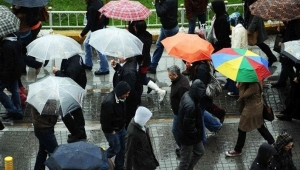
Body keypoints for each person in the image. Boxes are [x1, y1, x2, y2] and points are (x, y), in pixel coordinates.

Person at [225, 82, 275, 157]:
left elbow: (242, 95)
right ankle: (272, 142)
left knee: (242, 129)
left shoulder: (254, 85)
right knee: (260, 126)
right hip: (255, 108)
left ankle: (238, 150)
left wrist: (241, 85)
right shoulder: (252, 82)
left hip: (252, 109)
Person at [52, 54, 87, 143]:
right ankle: (81, 132)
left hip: (72, 91)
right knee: (76, 111)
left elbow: (68, 79)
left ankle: (77, 133)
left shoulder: (73, 64)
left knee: (64, 113)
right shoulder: (76, 57)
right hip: (77, 89)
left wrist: (57, 72)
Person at [130, 20, 166, 102]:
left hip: (142, 62)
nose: (134, 28)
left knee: (141, 79)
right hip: (146, 61)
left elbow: (139, 53)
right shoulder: (147, 35)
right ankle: (151, 82)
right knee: (141, 77)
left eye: (135, 26)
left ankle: (159, 91)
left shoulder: (139, 40)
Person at [100, 81, 131, 170]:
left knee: (122, 148)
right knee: (115, 149)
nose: (127, 96)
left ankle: (119, 167)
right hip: (112, 131)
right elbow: (104, 120)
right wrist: (111, 131)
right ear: (121, 92)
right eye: (126, 93)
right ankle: (100, 159)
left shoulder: (121, 98)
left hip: (121, 128)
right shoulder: (108, 103)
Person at [177, 79, 205, 170]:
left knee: (200, 152)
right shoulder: (191, 106)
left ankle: (189, 167)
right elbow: (189, 127)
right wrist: (197, 134)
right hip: (188, 138)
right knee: (184, 162)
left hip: (191, 135)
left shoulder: (188, 95)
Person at [147, 0, 179, 74]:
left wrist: (157, 2)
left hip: (170, 29)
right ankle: (153, 66)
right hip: (166, 28)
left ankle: (189, 64)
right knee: (159, 45)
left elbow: (160, 12)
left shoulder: (169, 1)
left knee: (177, 49)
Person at [80, 0, 109, 76]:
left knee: (99, 49)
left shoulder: (92, 7)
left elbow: (90, 23)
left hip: (96, 30)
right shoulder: (99, 2)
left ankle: (104, 68)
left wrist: (82, 34)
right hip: (100, 27)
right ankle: (88, 64)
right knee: (86, 44)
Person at [244, 0, 277, 67]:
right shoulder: (248, 2)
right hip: (251, 24)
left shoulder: (255, 3)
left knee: (259, 42)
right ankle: (271, 57)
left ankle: (271, 57)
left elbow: (256, 17)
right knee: (259, 43)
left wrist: (250, 29)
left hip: (255, 27)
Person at [111, 57, 141, 128]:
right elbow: (122, 71)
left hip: (129, 103)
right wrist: (117, 66)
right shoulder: (128, 64)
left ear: (125, 57)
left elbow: (128, 91)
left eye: (120, 54)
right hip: (129, 102)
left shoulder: (128, 73)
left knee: (128, 120)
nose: (118, 56)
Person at [167, 65, 190, 157]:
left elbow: (183, 103)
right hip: (178, 112)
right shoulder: (179, 80)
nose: (169, 77)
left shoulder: (182, 87)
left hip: (180, 113)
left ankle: (183, 149)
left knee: (176, 130)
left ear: (175, 75)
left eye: (170, 75)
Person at [0, 33, 24, 121]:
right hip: (15, 72)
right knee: (15, 91)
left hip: (8, 73)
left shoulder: (6, 46)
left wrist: (4, 76)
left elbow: (8, 63)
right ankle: (17, 111)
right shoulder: (16, 40)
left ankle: (13, 111)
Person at [271, 18, 300, 88]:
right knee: (286, 65)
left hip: (292, 47)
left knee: (287, 65)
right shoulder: (293, 20)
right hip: (289, 45)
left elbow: (294, 33)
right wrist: (282, 29)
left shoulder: (296, 21)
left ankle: (295, 83)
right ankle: (283, 82)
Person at [224, 12, 247, 97]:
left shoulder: (237, 30)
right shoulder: (242, 28)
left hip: (238, 54)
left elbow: (236, 45)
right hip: (242, 52)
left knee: (236, 74)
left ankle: (235, 91)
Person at [31, 100, 58, 170]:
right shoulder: (39, 97)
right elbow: (50, 110)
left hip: (45, 127)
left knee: (42, 152)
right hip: (44, 130)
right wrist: (55, 102)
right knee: (55, 152)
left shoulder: (47, 96)